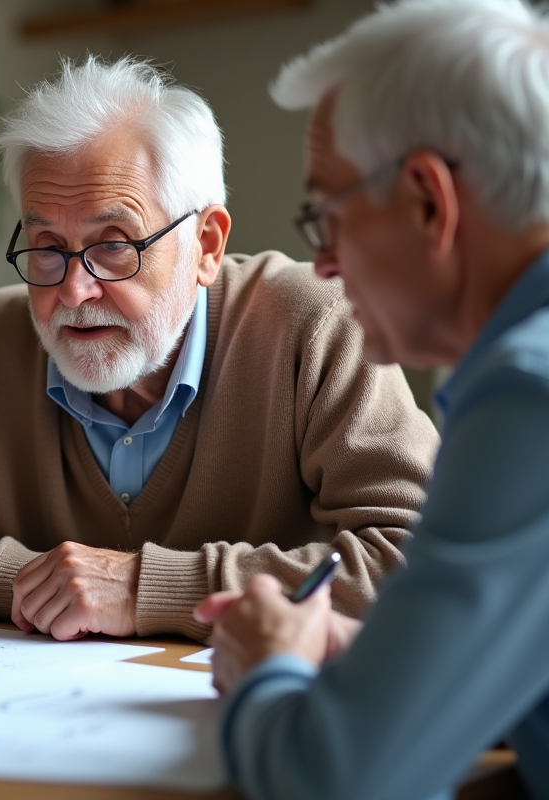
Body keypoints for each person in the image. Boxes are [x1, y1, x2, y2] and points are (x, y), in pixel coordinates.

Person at [0, 56, 439, 643]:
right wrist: (35, 581)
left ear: (207, 246)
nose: (73, 289)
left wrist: (138, 589)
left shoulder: (315, 323)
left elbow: (426, 557)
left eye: (114, 244)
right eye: (47, 247)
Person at [194, 1, 549, 797]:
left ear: (429, 201)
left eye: (328, 218)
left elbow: (332, 781)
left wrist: (269, 667)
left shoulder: (530, 400)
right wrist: (382, 663)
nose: (322, 265)